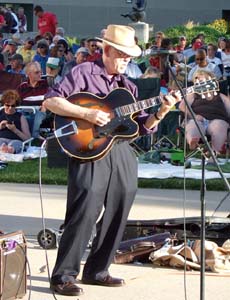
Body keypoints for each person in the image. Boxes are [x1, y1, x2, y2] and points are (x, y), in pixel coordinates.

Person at [43, 24, 180, 297]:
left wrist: (162, 111)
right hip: (89, 146)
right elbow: (52, 101)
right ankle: (63, 275)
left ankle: (97, 270)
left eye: (130, 57)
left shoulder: (127, 86)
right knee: (85, 209)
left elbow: (140, 128)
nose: (127, 61)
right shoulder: (84, 72)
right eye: (122, 55)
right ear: (106, 50)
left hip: (119, 149)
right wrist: (88, 115)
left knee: (122, 203)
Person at [179, 69, 230, 162]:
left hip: (216, 120)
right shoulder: (193, 94)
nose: (200, 84)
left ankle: (214, 154)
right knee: (194, 125)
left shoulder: (220, 96)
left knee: (219, 126)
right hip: (197, 119)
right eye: (198, 82)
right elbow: (182, 106)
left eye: (203, 81)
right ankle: (193, 143)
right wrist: (194, 115)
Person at [17, 61, 49, 138]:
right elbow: (16, 102)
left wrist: (44, 107)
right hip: (25, 110)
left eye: (40, 72)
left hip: (40, 110)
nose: (40, 74)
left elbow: (49, 99)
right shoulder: (22, 87)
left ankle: (33, 137)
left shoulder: (45, 84)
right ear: (29, 74)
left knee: (38, 114)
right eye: (37, 72)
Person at [0, 89, 31, 153]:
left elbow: (28, 138)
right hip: (1, 138)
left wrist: (15, 130)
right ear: (3, 104)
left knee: (13, 147)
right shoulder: (0, 114)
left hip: (15, 140)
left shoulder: (21, 117)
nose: (10, 108)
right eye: (7, 105)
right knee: (1, 144)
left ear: (16, 105)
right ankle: (4, 151)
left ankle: (7, 151)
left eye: (13, 106)